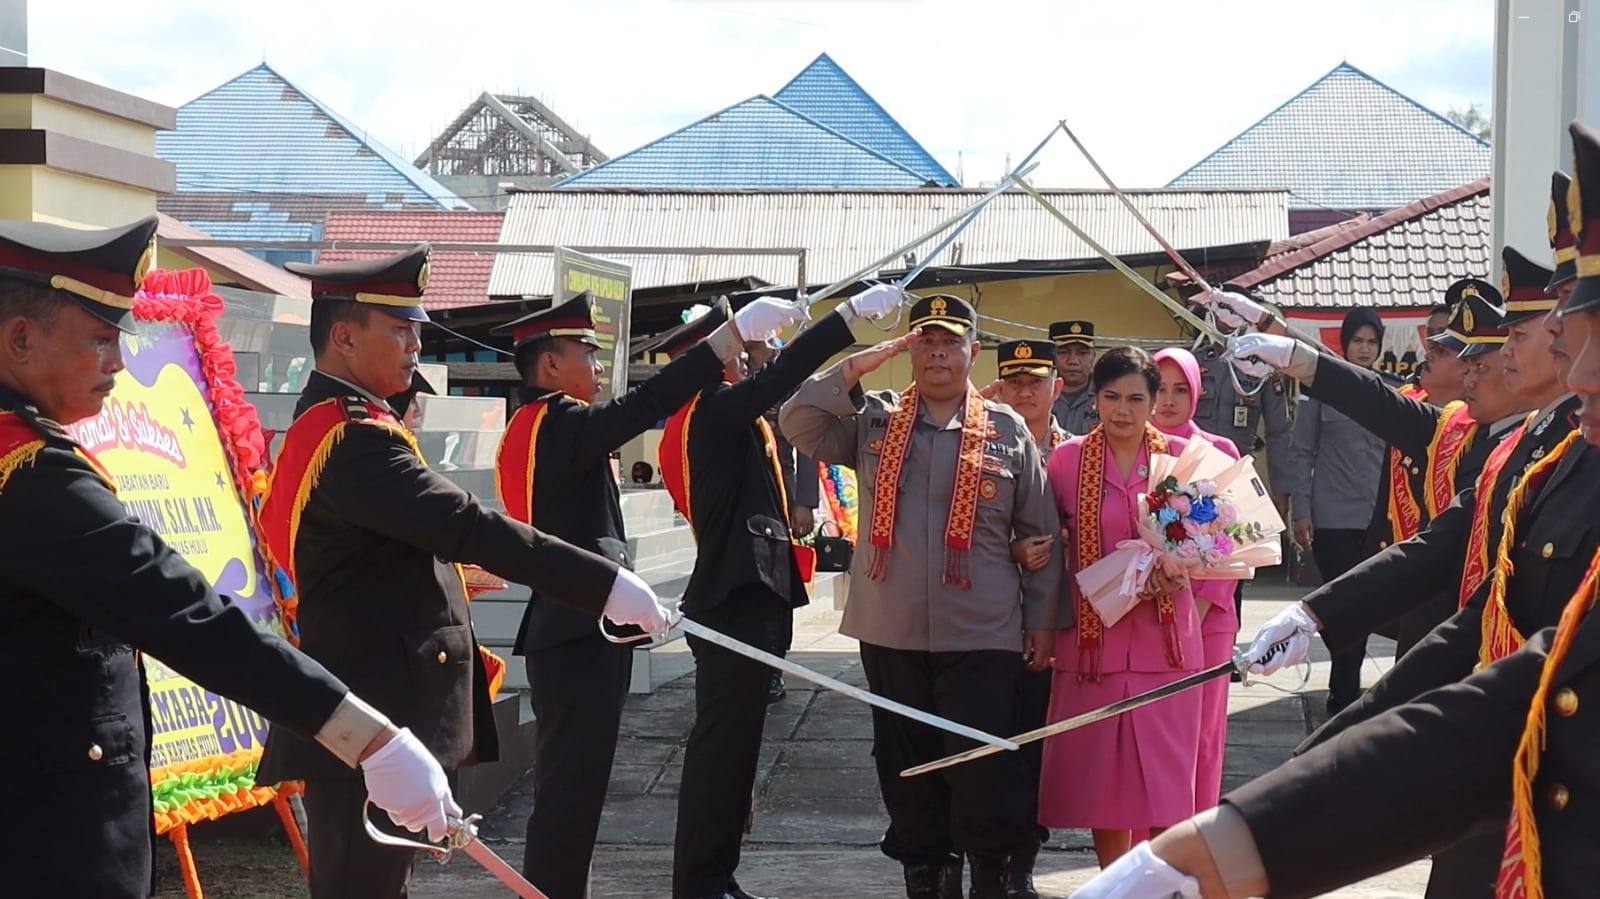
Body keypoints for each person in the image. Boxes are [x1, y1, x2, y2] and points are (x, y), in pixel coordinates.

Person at [0, 217, 474, 898]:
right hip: (45, 844)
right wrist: (370, 738)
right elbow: (185, 612)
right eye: (102, 339)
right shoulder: (30, 475)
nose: (119, 363)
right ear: (20, 339)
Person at [253, 246, 667, 898]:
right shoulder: (353, 437)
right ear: (343, 336)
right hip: (373, 713)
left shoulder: (339, 424)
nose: (417, 343)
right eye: (400, 328)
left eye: (417, 327)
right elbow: (468, 524)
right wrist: (604, 585)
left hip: (377, 709)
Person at [490, 290, 803, 899]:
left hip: (576, 627)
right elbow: (653, 399)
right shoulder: (560, 425)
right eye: (586, 352)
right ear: (550, 366)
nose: (600, 365)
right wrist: (726, 341)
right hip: (576, 630)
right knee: (568, 793)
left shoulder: (542, 427)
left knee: (573, 791)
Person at [781, 295, 1062, 899]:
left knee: (984, 763)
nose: (938, 352)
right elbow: (797, 420)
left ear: (972, 352)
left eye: (950, 341)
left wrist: (1041, 624)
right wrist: (856, 365)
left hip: (982, 629)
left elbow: (1039, 534)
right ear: (910, 350)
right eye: (925, 340)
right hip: (892, 627)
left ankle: (993, 873)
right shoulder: (873, 422)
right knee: (906, 763)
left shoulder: (1008, 430)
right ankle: (928, 875)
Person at [658, 285, 904, 899]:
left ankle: (715, 875)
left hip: (749, 598)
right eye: (742, 349)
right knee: (722, 752)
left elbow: (783, 385)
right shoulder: (713, 411)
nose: (753, 358)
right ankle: (702, 881)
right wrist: (844, 322)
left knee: (735, 751)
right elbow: (784, 379)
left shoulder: (716, 412)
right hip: (735, 599)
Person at [1229, 279, 1527, 656]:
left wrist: (1316, 610)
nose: (1430, 353)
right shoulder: (1452, 426)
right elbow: (1365, 389)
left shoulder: (1518, 444)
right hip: (1422, 615)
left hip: (1471, 633)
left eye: (1471, 361)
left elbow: (1437, 547)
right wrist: (1280, 340)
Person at [1038, 346, 1204, 868]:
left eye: (1136, 397)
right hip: (1092, 644)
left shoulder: (1185, 460)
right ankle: (1115, 881)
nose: (1123, 410)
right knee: (1104, 787)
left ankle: (1160, 882)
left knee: (1167, 783)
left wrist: (1180, 568)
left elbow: (1220, 544)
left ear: (1155, 401)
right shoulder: (1065, 462)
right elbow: (1043, 547)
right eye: (1111, 397)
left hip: (1167, 641)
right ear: (1095, 399)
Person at [991, 336, 1067, 894]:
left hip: (1058, 625)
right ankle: (990, 859)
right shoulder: (978, 448)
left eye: (1034, 381)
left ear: (1055, 388)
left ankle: (1022, 864)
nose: (1024, 391)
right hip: (986, 621)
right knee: (989, 744)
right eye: (1013, 381)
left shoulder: (1077, 455)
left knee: (1038, 746)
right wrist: (1008, 551)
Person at [1284, 306, 1387, 713]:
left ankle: (1349, 694)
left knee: (1368, 607)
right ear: (1343, 345)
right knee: (1346, 607)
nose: (1364, 349)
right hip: (1331, 518)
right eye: (1357, 341)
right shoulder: (1319, 391)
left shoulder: (1388, 393)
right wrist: (1301, 511)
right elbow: (1300, 452)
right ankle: (1344, 694)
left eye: (1371, 342)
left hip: (1378, 517)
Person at [1151, 346, 1241, 811]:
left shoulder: (1219, 451)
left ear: (1197, 392)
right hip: (1144, 612)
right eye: (1160, 388)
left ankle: (1194, 834)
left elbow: (1237, 540)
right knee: (1151, 733)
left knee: (1202, 732)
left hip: (1206, 617)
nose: (1168, 400)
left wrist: (1196, 607)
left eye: (1180, 389)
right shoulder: (1130, 448)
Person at [744, 326, 825, 704]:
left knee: (779, 588)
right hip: (741, 499)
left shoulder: (787, 376)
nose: (748, 347)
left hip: (781, 496)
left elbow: (807, 442)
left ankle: (773, 669)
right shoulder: (732, 378)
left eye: (754, 338)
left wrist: (804, 502)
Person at [1048, 319, 1098, 434]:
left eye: (1083, 353)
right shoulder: (1036, 394)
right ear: (1050, 356)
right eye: (1063, 352)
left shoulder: (1108, 395)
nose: (1073, 361)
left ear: (1093, 356)